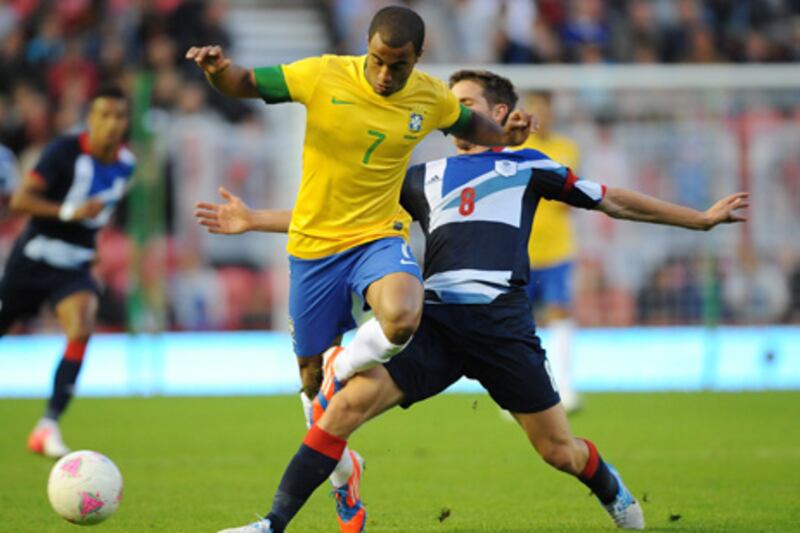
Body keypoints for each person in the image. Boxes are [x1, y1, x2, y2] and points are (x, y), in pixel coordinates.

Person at [196, 70, 748, 532]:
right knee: (340, 411)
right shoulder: (421, 176)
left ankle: (610, 487)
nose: (453, 113)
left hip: (502, 329)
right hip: (434, 324)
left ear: (498, 111)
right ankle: (271, 524)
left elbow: (613, 200)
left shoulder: (532, 165)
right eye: (450, 105)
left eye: (465, 104)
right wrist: (253, 220)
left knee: (559, 452)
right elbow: (336, 220)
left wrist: (697, 219)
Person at [187, 6, 531, 531]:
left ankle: (343, 367)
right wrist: (216, 71)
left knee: (401, 316)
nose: (386, 75)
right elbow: (246, 82)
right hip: (313, 247)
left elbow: (473, 124)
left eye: (398, 66)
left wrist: (506, 134)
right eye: (377, 61)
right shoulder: (322, 73)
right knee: (309, 384)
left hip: (378, 236)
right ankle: (344, 473)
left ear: (418, 59)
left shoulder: (431, 97)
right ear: (365, 48)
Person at [0, 86, 135, 458]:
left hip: (73, 265)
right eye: (104, 115)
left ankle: (48, 426)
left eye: (119, 116)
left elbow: (99, 214)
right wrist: (68, 212)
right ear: (90, 120)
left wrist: (90, 247)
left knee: (82, 325)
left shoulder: (126, 165)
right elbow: (21, 200)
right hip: (32, 260)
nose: (111, 123)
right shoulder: (63, 151)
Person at [518, 90, 582, 412]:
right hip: (519, 251)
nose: (539, 119)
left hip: (557, 249)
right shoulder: (515, 150)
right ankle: (515, 390)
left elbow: (572, 200)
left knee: (560, 314)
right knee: (518, 320)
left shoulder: (567, 149)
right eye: (534, 112)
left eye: (544, 112)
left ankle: (565, 388)